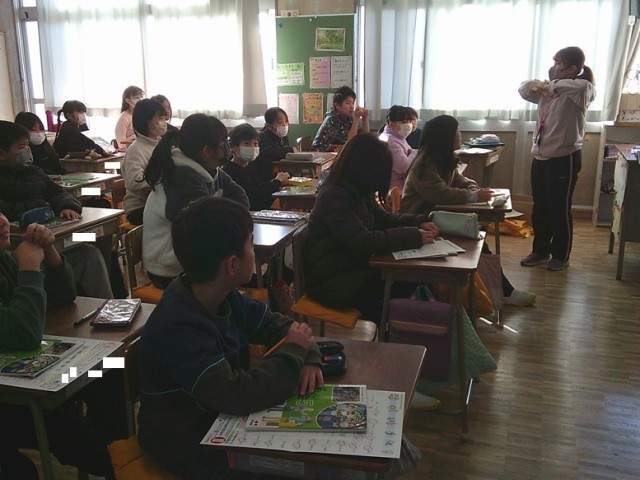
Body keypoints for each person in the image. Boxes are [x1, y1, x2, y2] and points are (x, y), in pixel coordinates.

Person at [137, 196, 323, 479]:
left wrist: (308, 355)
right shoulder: (178, 326)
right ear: (232, 265)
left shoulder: (223, 296)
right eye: (251, 243)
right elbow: (237, 393)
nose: (254, 250)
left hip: (222, 422)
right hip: (187, 441)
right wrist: (296, 352)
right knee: (297, 469)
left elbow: (284, 328)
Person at [0, 212, 124, 479]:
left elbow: (63, 299)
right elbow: (24, 332)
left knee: (112, 366)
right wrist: (29, 268)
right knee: (66, 428)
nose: (1, 221)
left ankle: (121, 456)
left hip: (33, 380)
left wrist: (50, 254)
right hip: (10, 401)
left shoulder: (3, 259)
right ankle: (115, 463)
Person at [401, 115, 536, 307]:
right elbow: (440, 194)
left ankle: (500, 290)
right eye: (457, 131)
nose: (460, 134)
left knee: (478, 236)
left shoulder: (442, 159)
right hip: (421, 222)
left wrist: (473, 188)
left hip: (436, 219)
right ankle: (502, 291)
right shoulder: (425, 165)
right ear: (445, 136)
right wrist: (473, 197)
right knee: (476, 238)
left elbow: (458, 180)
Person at [303, 132, 438, 323]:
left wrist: (419, 221)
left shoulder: (356, 189)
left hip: (352, 269)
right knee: (403, 289)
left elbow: (382, 218)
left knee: (415, 281)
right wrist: (413, 236)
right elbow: (363, 241)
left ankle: (408, 334)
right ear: (364, 170)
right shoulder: (334, 196)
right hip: (332, 282)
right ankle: (397, 336)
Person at [0, 121, 113, 299]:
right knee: (88, 249)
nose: (27, 151)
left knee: (93, 242)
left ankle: (108, 303)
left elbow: (58, 192)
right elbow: (7, 211)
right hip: (23, 247)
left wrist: (67, 206)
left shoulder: (33, 171)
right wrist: (44, 208)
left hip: (58, 238)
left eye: (27, 146)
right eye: (21, 147)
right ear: (2, 154)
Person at [142, 113, 249, 288]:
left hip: (192, 259)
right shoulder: (180, 178)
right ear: (207, 151)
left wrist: (232, 218)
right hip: (170, 270)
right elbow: (206, 226)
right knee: (242, 273)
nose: (226, 150)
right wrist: (233, 218)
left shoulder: (210, 170)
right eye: (222, 145)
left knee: (246, 270)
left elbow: (239, 195)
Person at [518, 46, 596, 271]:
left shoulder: (581, 89)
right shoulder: (550, 90)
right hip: (540, 156)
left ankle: (561, 255)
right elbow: (523, 89)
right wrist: (538, 85)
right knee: (540, 207)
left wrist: (549, 85)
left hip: (564, 157)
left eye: (558, 63)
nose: (553, 67)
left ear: (572, 69)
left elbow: (581, 87)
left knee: (559, 208)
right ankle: (540, 250)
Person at [121, 98, 167, 225]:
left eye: (164, 118)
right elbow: (134, 182)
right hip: (139, 208)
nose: (163, 122)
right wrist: (162, 180)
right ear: (146, 121)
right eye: (160, 118)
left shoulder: (160, 144)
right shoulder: (136, 150)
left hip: (157, 203)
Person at [223, 123, 290, 211]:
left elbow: (258, 187)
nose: (252, 147)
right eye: (246, 144)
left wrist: (274, 181)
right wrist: (277, 182)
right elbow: (256, 198)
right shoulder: (230, 170)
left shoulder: (251, 165)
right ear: (233, 147)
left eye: (255, 144)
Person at [312, 85, 370, 152]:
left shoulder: (349, 118)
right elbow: (350, 141)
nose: (352, 107)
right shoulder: (332, 119)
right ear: (337, 105)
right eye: (348, 103)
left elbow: (365, 137)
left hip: (339, 151)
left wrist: (365, 118)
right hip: (321, 152)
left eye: (353, 103)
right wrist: (356, 118)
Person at [378, 105, 417, 191]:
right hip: (394, 188)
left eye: (409, 121)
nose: (409, 125)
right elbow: (402, 166)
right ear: (391, 124)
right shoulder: (391, 141)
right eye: (404, 122)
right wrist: (415, 153)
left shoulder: (398, 137)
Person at [255, 107, 294, 181]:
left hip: (280, 173)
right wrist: (290, 150)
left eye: (286, 121)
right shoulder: (262, 137)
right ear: (269, 126)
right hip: (265, 176)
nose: (284, 125)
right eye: (279, 122)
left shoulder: (284, 137)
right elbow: (269, 154)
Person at [115, 85, 145, 150]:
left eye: (141, 97)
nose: (140, 100)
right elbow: (121, 144)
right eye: (137, 98)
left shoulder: (142, 115)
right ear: (128, 101)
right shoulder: (124, 118)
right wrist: (135, 137)